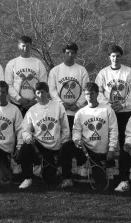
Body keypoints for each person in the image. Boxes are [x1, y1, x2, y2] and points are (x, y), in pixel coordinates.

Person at [60, 82, 118, 188]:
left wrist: (111, 149)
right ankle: (67, 178)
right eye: (87, 94)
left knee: (100, 183)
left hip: (100, 152)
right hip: (84, 149)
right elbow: (76, 130)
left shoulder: (107, 110)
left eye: (92, 93)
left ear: (97, 94)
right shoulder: (80, 113)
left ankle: (102, 168)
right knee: (66, 146)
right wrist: (77, 140)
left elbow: (113, 130)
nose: (89, 96)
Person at [95, 45, 131, 184]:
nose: (115, 58)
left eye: (118, 56)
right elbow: (98, 91)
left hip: (124, 112)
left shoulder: (128, 72)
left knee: (124, 141)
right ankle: (106, 169)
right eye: (113, 56)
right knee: (106, 140)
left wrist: (123, 104)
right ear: (109, 57)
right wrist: (108, 105)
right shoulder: (103, 73)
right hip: (108, 112)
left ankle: (125, 171)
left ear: (121, 56)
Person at [16, 82, 70, 189]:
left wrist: (63, 144)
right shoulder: (32, 110)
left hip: (54, 147)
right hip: (38, 146)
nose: (40, 95)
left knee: (49, 180)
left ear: (48, 92)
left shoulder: (58, 107)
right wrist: (27, 137)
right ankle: (28, 178)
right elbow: (25, 129)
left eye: (43, 92)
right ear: (35, 94)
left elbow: (65, 128)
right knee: (25, 148)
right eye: (38, 93)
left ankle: (44, 168)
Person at [48, 43, 90, 177]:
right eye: (67, 53)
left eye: (72, 53)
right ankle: (61, 167)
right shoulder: (55, 71)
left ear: (76, 54)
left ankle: (82, 164)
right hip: (61, 112)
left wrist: (78, 104)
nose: (70, 55)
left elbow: (85, 89)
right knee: (63, 140)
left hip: (77, 112)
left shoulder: (81, 70)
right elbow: (52, 90)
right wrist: (61, 104)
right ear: (63, 53)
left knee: (76, 139)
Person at [5, 36, 47, 117]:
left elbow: (43, 84)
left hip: (35, 104)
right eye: (23, 46)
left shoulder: (38, 63)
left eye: (27, 46)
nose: (25, 48)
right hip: (17, 104)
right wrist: (19, 99)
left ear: (31, 46)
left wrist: (35, 100)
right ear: (19, 46)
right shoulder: (12, 63)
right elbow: (8, 85)